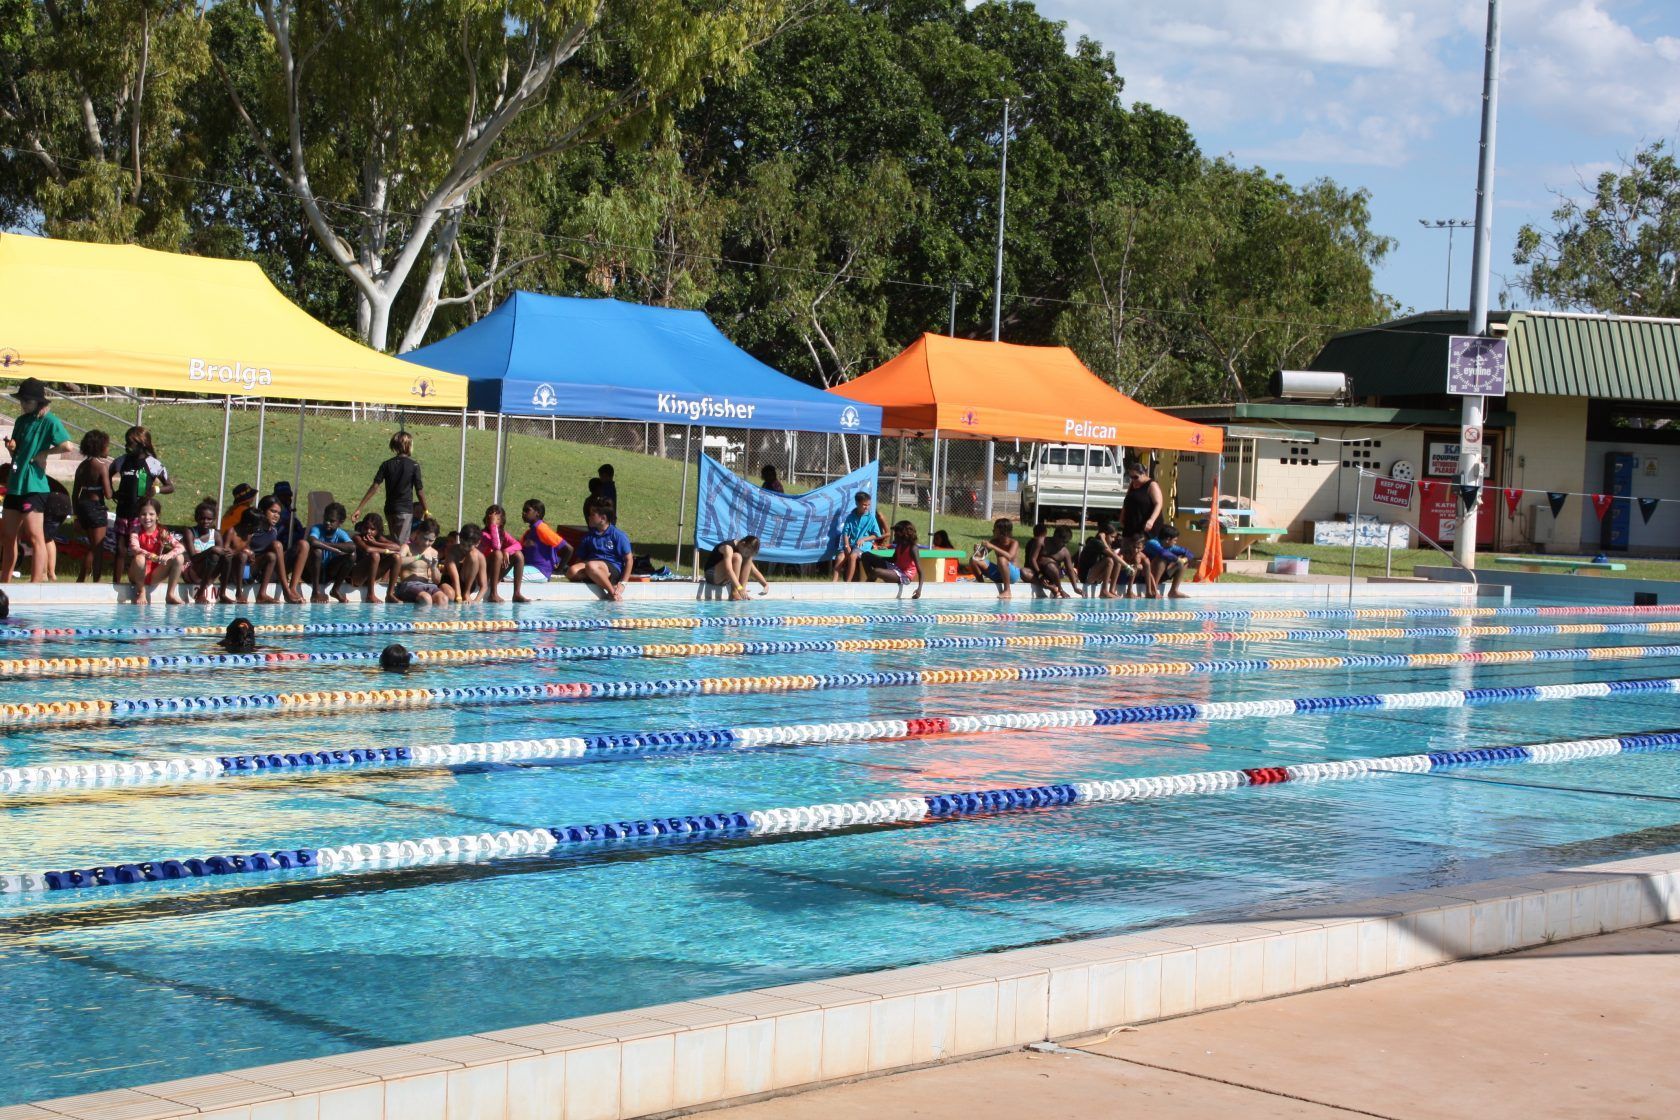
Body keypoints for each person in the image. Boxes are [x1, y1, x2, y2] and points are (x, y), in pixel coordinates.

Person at [2, 377, 76, 583]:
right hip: (15, 483)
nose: (23, 404)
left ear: (38, 401)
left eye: (27, 401)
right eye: (21, 400)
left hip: (34, 486)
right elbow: (17, 451)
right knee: (8, 537)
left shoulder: (50, 421)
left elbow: (67, 446)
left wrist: (45, 453)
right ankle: (4, 580)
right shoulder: (21, 420)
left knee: (35, 537)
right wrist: (13, 448)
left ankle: (36, 583)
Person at [107, 426, 173, 586]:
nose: (127, 446)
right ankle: (116, 583)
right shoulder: (122, 460)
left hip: (141, 515)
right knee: (120, 549)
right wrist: (112, 492)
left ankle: (143, 580)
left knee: (140, 550)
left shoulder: (153, 464)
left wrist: (155, 489)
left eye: (130, 443)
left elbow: (170, 487)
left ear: (142, 443)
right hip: (123, 511)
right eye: (126, 443)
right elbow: (107, 473)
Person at [353, 431, 427, 548]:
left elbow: (375, 486)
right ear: (408, 446)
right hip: (404, 511)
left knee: (395, 541)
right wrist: (426, 510)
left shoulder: (386, 464)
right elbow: (419, 491)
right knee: (400, 546)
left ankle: (392, 563)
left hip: (390, 510)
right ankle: (396, 564)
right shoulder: (414, 465)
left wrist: (359, 508)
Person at [567, 497, 632, 601]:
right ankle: (596, 576)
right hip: (592, 565)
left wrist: (623, 583)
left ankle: (613, 593)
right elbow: (579, 559)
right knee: (571, 571)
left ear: (602, 518)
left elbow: (629, 560)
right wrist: (576, 571)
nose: (589, 517)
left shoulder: (618, 535)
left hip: (611, 567)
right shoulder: (589, 536)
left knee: (591, 565)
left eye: (592, 515)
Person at [290, 501, 357, 603]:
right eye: (325, 519)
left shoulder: (340, 533)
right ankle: (315, 591)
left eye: (332, 521)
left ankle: (335, 589)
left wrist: (329, 545)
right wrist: (334, 549)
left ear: (340, 522)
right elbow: (312, 541)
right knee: (317, 551)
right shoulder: (317, 528)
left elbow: (352, 547)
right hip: (310, 573)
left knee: (352, 556)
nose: (327, 523)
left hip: (329, 573)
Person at [126, 498, 185, 605]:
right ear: (139, 516)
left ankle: (170, 595)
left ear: (157, 516)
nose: (147, 517)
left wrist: (168, 555)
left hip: (155, 573)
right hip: (137, 573)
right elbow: (135, 548)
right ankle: (141, 592)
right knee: (140, 557)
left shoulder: (162, 532)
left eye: (151, 514)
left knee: (179, 557)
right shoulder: (135, 531)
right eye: (143, 514)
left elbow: (180, 547)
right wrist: (154, 557)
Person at [72, 429, 113, 582]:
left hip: (83, 506)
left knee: (92, 545)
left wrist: (76, 516)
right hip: (96, 507)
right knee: (98, 548)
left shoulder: (82, 466)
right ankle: (95, 580)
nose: (108, 449)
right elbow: (108, 494)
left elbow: (74, 493)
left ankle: (81, 578)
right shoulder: (102, 466)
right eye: (107, 446)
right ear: (99, 447)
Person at [247, 496, 301, 604]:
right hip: (248, 571)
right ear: (262, 511)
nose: (276, 516)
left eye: (278, 513)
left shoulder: (274, 531)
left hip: (266, 571)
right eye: (273, 511)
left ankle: (293, 588)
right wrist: (246, 550)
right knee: (277, 546)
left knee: (303, 545)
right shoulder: (252, 529)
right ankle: (286, 592)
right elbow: (238, 545)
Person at [392, 523, 453, 606]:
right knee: (426, 598)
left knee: (443, 599)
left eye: (431, 541)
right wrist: (418, 557)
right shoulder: (407, 547)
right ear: (418, 533)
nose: (426, 543)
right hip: (408, 584)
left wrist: (434, 567)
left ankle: (438, 619)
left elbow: (437, 581)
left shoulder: (434, 552)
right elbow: (398, 561)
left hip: (427, 585)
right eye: (424, 538)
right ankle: (421, 619)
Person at [184, 500, 232, 604]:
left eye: (209, 519)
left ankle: (222, 593)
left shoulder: (215, 534)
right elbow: (193, 558)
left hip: (210, 573)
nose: (205, 521)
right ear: (196, 518)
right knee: (214, 555)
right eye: (202, 518)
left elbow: (222, 554)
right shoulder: (190, 532)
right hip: (194, 572)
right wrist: (211, 550)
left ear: (213, 520)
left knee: (226, 557)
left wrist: (228, 552)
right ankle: (200, 593)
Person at [478, 504, 527, 604]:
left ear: (502, 521)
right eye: (491, 518)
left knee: (519, 555)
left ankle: (517, 593)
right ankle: (493, 594)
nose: (494, 520)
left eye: (497, 519)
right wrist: (493, 526)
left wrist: (506, 551)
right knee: (497, 554)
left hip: (494, 574)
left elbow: (518, 545)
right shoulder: (483, 535)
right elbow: (496, 547)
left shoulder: (503, 534)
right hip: (482, 574)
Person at [831, 491, 883, 582]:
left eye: (868, 505)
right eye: (864, 505)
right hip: (851, 544)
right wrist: (846, 545)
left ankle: (848, 583)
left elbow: (876, 535)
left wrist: (864, 539)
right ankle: (833, 583)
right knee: (840, 557)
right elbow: (845, 533)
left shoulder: (871, 518)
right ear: (857, 503)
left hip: (863, 546)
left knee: (853, 556)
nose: (867, 507)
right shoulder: (850, 517)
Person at [865, 520, 923, 600]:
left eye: (896, 533)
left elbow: (920, 571)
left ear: (903, 533)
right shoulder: (899, 545)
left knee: (876, 571)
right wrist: (876, 557)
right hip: (895, 568)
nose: (894, 535)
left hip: (905, 575)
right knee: (866, 555)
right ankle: (870, 580)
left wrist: (919, 590)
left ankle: (868, 587)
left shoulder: (913, 548)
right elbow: (893, 559)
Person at [350, 512, 401, 603]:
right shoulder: (357, 538)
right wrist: (386, 551)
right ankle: (370, 594)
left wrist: (376, 543)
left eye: (372, 529)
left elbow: (397, 548)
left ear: (378, 531)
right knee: (375, 555)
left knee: (396, 557)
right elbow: (367, 549)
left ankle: (389, 594)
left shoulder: (378, 539)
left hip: (371, 577)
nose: (368, 531)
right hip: (356, 577)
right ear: (362, 527)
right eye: (366, 528)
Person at [704, 535, 770, 600]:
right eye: (747, 552)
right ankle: (734, 593)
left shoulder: (744, 551)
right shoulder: (728, 548)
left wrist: (765, 584)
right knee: (737, 557)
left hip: (725, 579)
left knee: (749, 558)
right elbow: (728, 570)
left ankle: (742, 593)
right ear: (742, 544)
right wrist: (739, 588)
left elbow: (754, 570)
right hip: (712, 576)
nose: (746, 554)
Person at [519, 499, 571, 581]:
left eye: (527, 510)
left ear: (537, 513)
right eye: (523, 510)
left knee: (505, 574)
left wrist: (558, 571)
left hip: (540, 571)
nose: (523, 513)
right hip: (530, 569)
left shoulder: (541, 528)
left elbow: (569, 549)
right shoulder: (529, 532)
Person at [1144, 523, 1196, 599]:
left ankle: (1173, 591)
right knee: (1161, 559)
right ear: (1168, 540)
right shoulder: (1152, 543)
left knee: (1184, 562)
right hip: (1145, 576)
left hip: (1162, 575)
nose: (1175, 543)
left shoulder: (1170, 546)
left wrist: (1184, 559)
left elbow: (1190, 553)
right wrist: (1178, 559)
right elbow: (1163, 553)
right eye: (1175, 540)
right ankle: (1153, 589)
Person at [973, 517, 1021, 598]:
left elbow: (1010, 557)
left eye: (994, 529)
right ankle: (981, 585)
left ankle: (1007, 591)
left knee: (1001, 559)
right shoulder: (994, 541)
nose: (993, 531)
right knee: (974, 560)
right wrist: (976, 551)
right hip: (999, 573)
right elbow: (980, 556)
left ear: (1002, 532)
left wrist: (993, 547)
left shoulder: (1014, 543)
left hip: (1012, 575)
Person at [442, 523, 488, 603]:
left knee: (473, 555)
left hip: (466, 585)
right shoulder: (452, 551)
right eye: (463, 544)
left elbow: (484, 586)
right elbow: (454, 578)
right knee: (450, 595)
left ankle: (466, 593)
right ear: (460, 538)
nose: (465, 548)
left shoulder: (480, 557)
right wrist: (458, 597)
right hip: (450, 582)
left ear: (477, 543)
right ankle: (462, 595)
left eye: (469, 546)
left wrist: (476, 602)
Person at [1077, 522, 1125, 599]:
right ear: (1104, 534)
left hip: (1094, 575)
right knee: (1109, 560)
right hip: (1086, 576)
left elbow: (1114, 555)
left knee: (1117, 562)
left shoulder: (1106, 544)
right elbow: (1112, 555)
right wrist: (1127, 566)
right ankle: (1104, 591)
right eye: (1112, 537)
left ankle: (1111, 590)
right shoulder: (1095, 542)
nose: (1113, 540)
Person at [1121, 459, 1165, 539]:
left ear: (1143, 474)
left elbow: (1158, 504)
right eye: (1131, 477)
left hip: (1146, 526)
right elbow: (1127, 500)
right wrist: (1122, 514)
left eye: (1135, 477)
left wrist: (1151, 520)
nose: (1133, 479)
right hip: (1132, 524)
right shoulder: (1132, 485)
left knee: (1142, 548)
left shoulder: (1152, 485)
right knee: (1128, 547)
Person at [1024, 523, 1069, 598]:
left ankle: (1058, 588)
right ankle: (1052, 587)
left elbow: (1069, 568)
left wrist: (1075, 588)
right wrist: (1040, 574)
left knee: (1051, 566)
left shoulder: (1061, 549)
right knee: (1023, 572)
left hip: (1051, 573)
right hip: (1038, 572)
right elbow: (1032, 560)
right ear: (1045, 533)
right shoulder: (1039, 542)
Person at [1118, 533, 1156, 598]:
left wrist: (1155, 590)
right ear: (1130, 545)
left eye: (1138, 548)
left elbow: (1149, 573)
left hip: (1134, 578)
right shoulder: (1124, 553)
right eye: (1134, 547)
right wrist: (1134, 566)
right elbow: (1117, 566)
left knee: (1146, 562)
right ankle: (1129, 590)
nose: (1135, 550)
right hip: (1121, 577)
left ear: (1143, 547)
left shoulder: (1142, 556)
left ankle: (1148, 591)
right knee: (1137, 565)